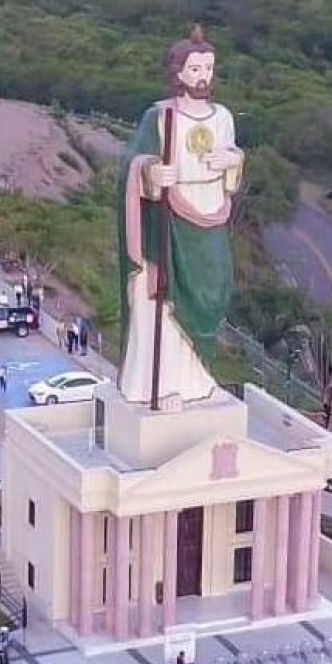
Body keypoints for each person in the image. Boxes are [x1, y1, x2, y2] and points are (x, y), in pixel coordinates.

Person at [116, 26, 244, 403]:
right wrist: (150, 172)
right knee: (160, 299)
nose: (203, 76)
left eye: (208, 68)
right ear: (178, 73)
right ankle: (159, 385)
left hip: (210, 218)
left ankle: (198, 377)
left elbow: (232, 171)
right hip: (169, 223)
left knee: (212, 291)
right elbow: (131, 164)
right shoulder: (159, 117)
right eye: (195, 69)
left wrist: (232, 160)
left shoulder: (222, 117)